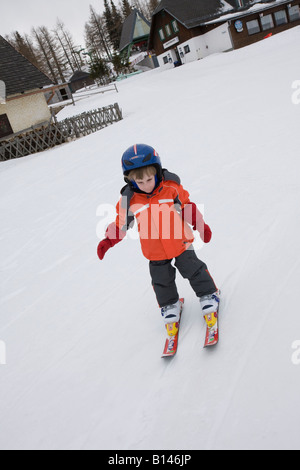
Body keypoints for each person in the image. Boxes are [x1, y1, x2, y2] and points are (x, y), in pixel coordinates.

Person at [97, 144, 220, 336]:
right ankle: (170, 306)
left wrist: (201, 225)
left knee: (194, 270)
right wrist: (107, 241)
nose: (146, 184)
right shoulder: (129, 200)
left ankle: (208, 294)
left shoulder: (171, 188)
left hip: (180, 242)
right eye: (140, 182)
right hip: (154, 250)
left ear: (157, 172)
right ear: (130, 180)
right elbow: (121, 225)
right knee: (161, 281)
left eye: (149, 179)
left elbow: (188, 207)